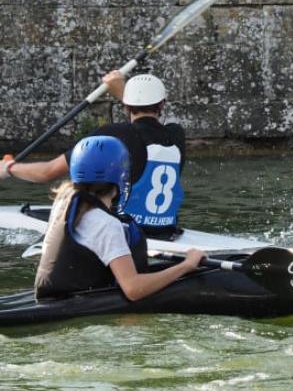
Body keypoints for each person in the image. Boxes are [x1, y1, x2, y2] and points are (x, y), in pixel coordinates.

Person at [1, 70, 185, 238]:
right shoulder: (177, 135)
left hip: (123, 231)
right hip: (165, 231)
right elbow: (146, 132)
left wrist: (10, 167)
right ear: (162, 104)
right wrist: (124, 93)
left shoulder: (112, 134)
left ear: (126, 105)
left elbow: (47, 172)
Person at [35, 135, 203, 301]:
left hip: (55, 295)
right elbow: (133, 289)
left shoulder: (63, 203)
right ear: (121, 178)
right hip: (82, 306)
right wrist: (186, 266)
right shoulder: (106, 224)